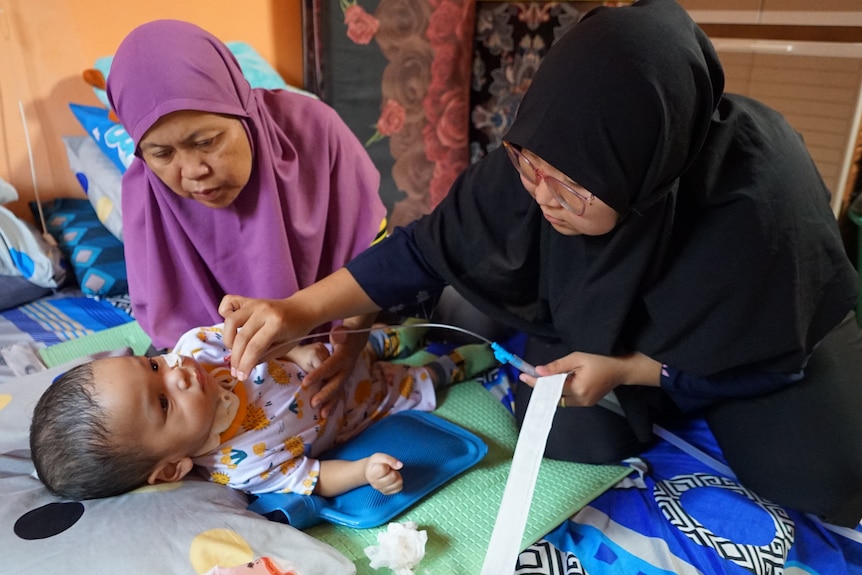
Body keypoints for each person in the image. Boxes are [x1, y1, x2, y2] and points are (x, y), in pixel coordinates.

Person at [216, 0, 862, 528]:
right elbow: (423, 247)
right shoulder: (549, 151)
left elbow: (771, 348)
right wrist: (297, 308)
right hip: (604, 311)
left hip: (752, 337)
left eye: (572, 187)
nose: (543, 196)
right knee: (573, 434)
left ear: (642, 168)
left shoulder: (759, 209)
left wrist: (638, 369)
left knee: (824, 477)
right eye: (528, 166)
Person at [105, 20, 387, 414]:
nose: (192, 172)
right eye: (162, 154)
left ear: (241, 107)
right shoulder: (144, 191)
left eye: (206, 142)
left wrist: (352, 347)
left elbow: (374, 259)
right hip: (216, 370)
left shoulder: (314, 133)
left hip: (337, 339)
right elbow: (173, 338)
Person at [29, 324, 496, 500]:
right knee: (408, 386)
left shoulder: (201, 349)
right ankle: (445, 369)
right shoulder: (242, 466)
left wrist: (292, 356)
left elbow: (272, 339)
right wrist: (363, 472)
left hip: (322, 361)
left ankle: (389, 339)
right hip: (355, 408)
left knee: (358, 344)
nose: (177, 369)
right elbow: (312, 477)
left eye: (152, 363)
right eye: (164, 401)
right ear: (172, 467)